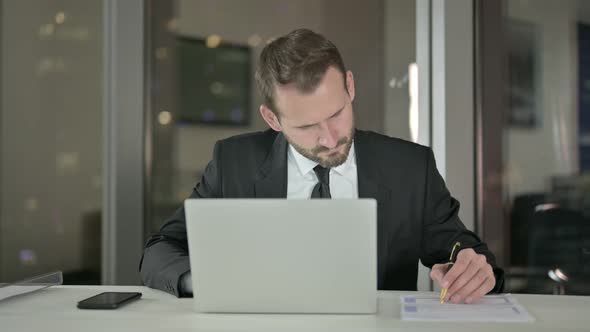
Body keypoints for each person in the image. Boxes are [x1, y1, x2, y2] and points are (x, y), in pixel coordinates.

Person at [140, 28, 504, 304]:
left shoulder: (410, 166)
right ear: (272, 119)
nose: (330, 139)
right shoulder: (233, 162)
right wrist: (198, 281)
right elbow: (160, 250)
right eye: (307, 126)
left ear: (349, 86)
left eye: (336, 114)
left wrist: (472, 270)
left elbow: (465, 252)